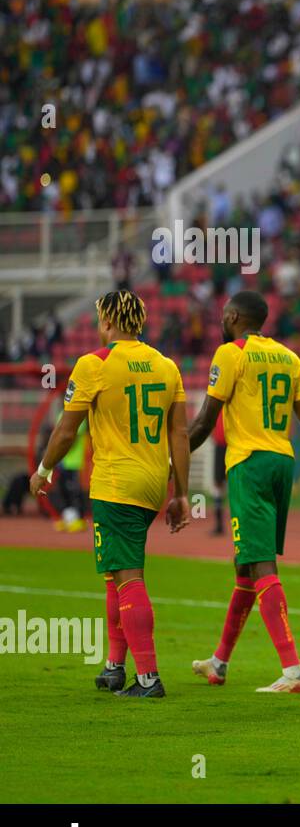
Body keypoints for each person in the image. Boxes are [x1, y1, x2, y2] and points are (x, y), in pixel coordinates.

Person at [30, 290, 190, 698]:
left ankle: (149, 678)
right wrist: (181, 494)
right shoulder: (166, 365)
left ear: (106, 321)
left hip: (117, 483)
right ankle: (115, 665)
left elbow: (67, 429)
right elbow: (180, 433)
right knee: (114, 575)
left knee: (129, 576)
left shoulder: (94, 364)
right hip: (154, 482)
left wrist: (44, 470)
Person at [188, 290, 300, 693]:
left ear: (234, 316)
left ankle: (293, 670)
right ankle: (219, 662)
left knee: (262, 566)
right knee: (246, 566)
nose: (220, 321)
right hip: (282, 462)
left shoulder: (231, 354)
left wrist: (168, 457)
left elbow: (204, 422)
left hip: (248, 462)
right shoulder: (290, 358)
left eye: (223, 315)